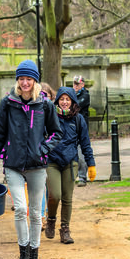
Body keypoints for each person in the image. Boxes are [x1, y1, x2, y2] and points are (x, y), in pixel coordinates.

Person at [0, 60, 63, 259]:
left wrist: (44, 149)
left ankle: (34, 256)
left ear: (35, 81)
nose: (25, 82)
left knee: (36, 213)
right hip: (13, 165)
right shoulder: (8, 103)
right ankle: (23, 254)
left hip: (37, 166)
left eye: (29, 78)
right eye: (21, 78)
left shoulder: (45, 105)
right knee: (20, 209)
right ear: (18, 80)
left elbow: (57, 133)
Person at [45, 87, 96, 244]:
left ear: (73, 102)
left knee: (67, 197)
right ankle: (51, 219)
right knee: (55, 195)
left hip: (70, 161)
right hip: (52, 161)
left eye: (68, 99)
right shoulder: (50, 117)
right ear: (57, 101)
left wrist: (90, 164)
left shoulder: (78, 119)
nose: (65, 102)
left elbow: (85, 144)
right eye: (62, 99)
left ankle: (65, 229)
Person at [39, 82, 56, 230]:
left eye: (47, 95)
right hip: (39, 156)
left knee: (51, 190)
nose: (45, 98)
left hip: (51, 154)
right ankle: (41, 216)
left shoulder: (53, 111)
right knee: (40, 187)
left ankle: (48, 215)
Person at [73, 75, 90, 187]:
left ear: (82, 84)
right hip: (72, 127)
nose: (75, 86)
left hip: (82, 128)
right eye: (74, 84)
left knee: (81, 153)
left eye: (77, 84)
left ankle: (83, 177)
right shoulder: (71, 95)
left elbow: (76, 106)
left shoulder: (85, 95)